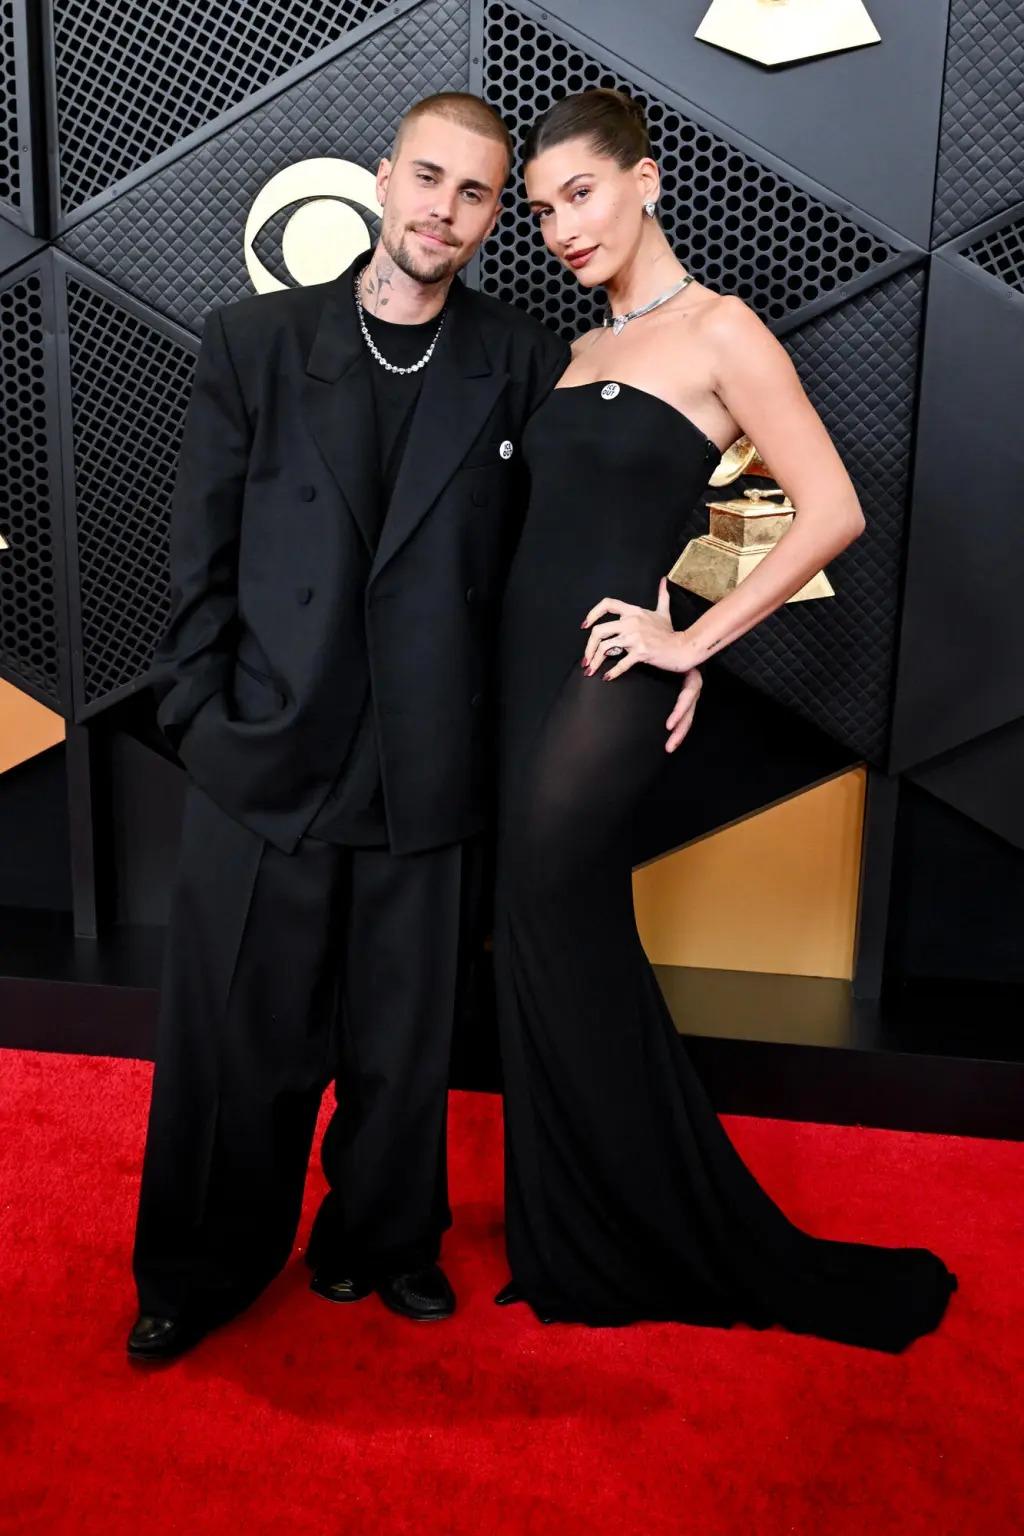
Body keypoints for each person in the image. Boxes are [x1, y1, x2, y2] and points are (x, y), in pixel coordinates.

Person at [127, 92, 593, 1361]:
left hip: (428, 762)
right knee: (236, 1038)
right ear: (382, 179)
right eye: (428, 178)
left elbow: (563, 549)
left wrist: (673, 632)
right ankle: (196, 1268)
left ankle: (379, 1241)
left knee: (404, 1040)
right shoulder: (256, 341)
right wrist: (201, 721)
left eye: (475, 192)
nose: (444, 210)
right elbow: (199, 558)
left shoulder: (520, 360)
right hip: (265, 753)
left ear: (493, 217)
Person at [490, 88, 958, 1352]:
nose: (561, 228)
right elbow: (604, 517)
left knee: (551, 907)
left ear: (645, 180)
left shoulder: (722, 329)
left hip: (608, 674)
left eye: (580, 194)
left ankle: (649, 1232)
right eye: (540, 211)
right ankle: (580, 1230)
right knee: (545, 931)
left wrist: (690, 641)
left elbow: (829, 507)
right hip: (522, 670)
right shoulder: (574, 349)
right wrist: (682, 601)